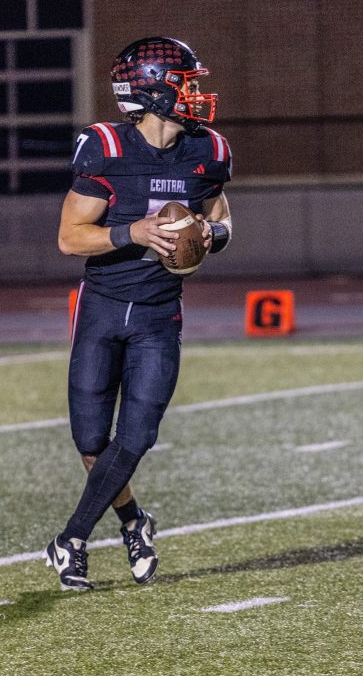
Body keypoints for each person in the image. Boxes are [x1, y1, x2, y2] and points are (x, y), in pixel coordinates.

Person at [44, 36, 232, 591]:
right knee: (91, 441)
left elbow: (221, 218)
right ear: (152, 89)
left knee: (139, 434)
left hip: (158, 314)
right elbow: (69, 239)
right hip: (101, 307)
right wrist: (136, 231)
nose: (197, 94)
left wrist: (209, 233)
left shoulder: (209, 151)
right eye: (187, 83)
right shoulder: (104, 147)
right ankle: (132, 523)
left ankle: (71, 539)